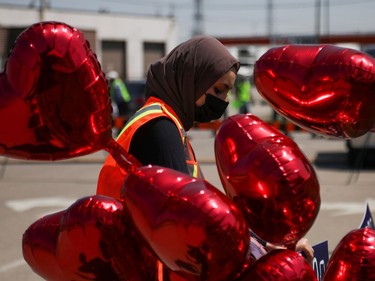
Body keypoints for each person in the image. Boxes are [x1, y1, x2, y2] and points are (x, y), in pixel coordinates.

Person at [97, 35, 314, 265]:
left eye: (227, 92)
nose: (223, 101)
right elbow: (192, 220)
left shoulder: (169, 125)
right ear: (193, 79)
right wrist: (259, 253)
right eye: (219, 90)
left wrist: (262, 244)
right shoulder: (159, 128)